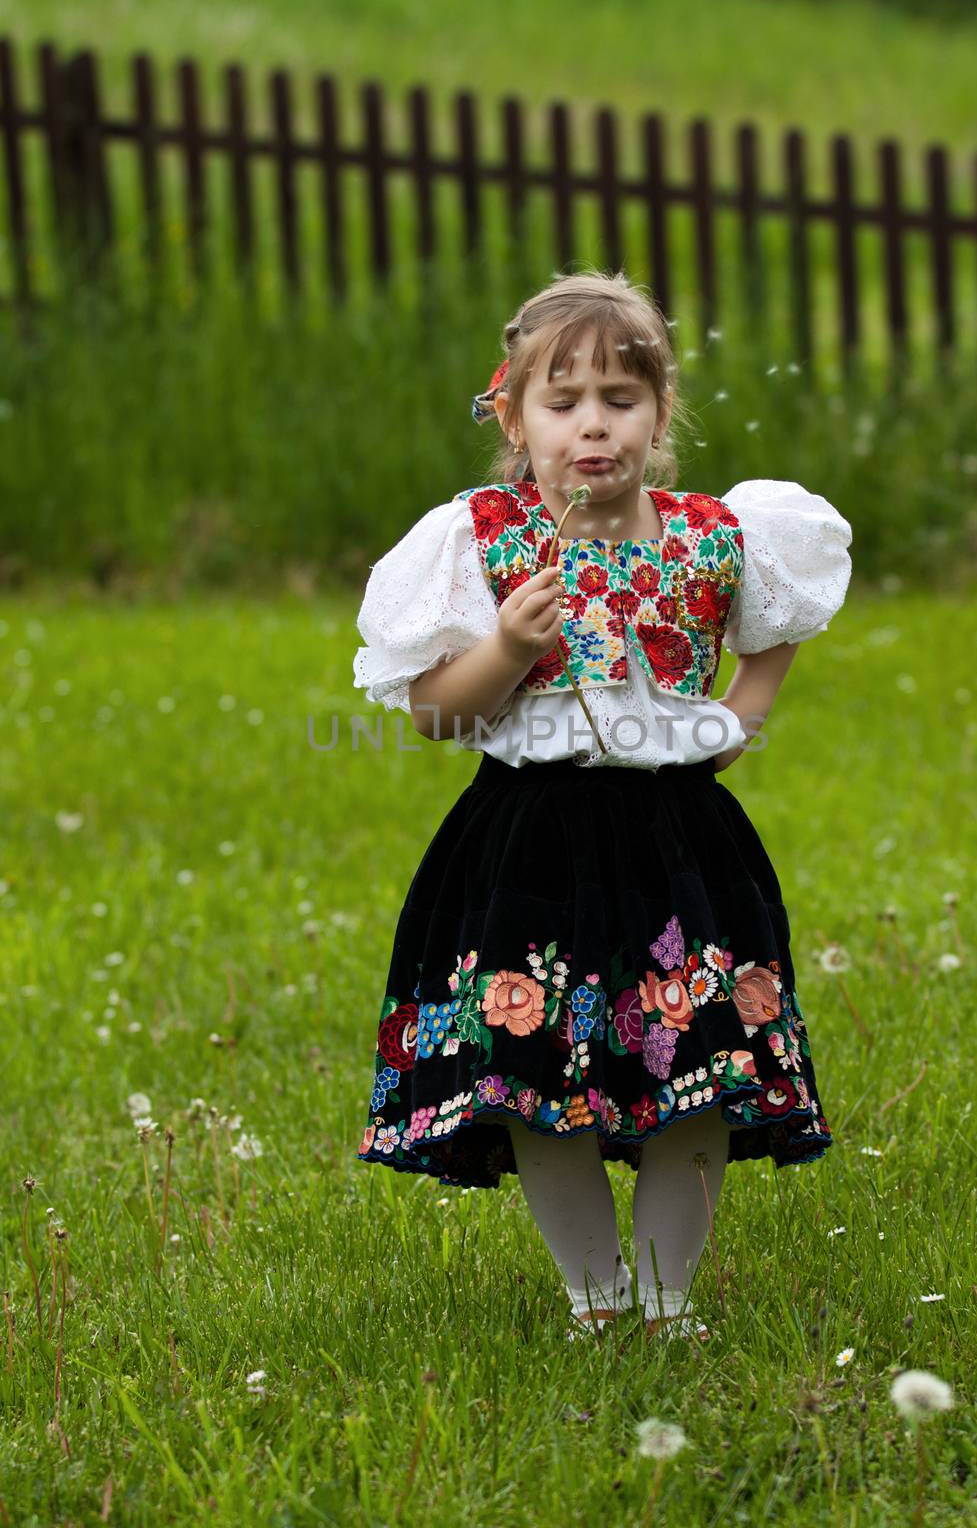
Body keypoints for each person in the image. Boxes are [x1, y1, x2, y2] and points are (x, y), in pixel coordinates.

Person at [352, 270, 852, 1344]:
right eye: (561, 399)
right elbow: (436, 718)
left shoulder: (716, 537)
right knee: (534, 1073)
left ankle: (669, 1303)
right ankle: (593, 1299)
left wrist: (734, 719)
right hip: (524, 841)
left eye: (619, 399)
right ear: (513, 415)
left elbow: (774, 634)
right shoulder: (479, 540)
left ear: (660, 413)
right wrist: (506, 650)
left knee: (699, 1065)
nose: (592, 425)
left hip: (679, 843)